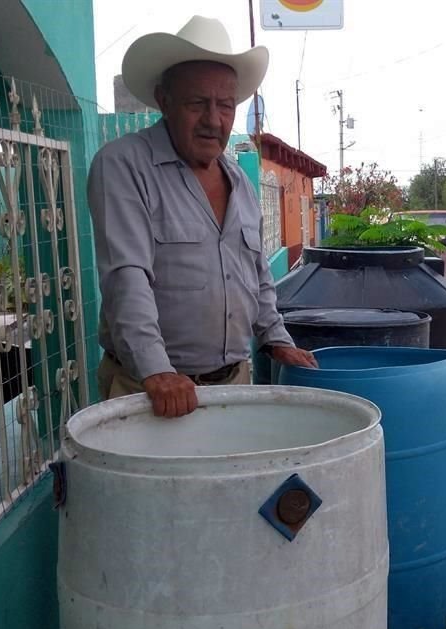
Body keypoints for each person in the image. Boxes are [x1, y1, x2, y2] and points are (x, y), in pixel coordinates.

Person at [88, 15, 317, 418]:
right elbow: (127, 276)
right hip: (148, 392)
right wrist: (156, 371)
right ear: (164, 100)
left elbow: (258, 276)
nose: (214, 119)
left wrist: (277, 340)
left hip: (233, 387)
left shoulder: (240, 183)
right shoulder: (124, 165)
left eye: (225, 105)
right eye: (198, 103)